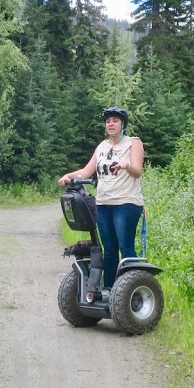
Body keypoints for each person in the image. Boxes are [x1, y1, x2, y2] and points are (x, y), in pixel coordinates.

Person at [57, 106, 145, 293]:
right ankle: (110, 290)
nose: (111, 124)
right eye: (108, 121)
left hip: (126, 203)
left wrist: (126, 164)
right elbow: (86, 171)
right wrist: (68, 176)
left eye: (115, 120)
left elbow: (137, 171)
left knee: (125, 247)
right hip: (104, 204)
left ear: (123, 124)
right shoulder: (102, 147)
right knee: (110, 249)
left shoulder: (133, 143)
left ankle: (132, 290)